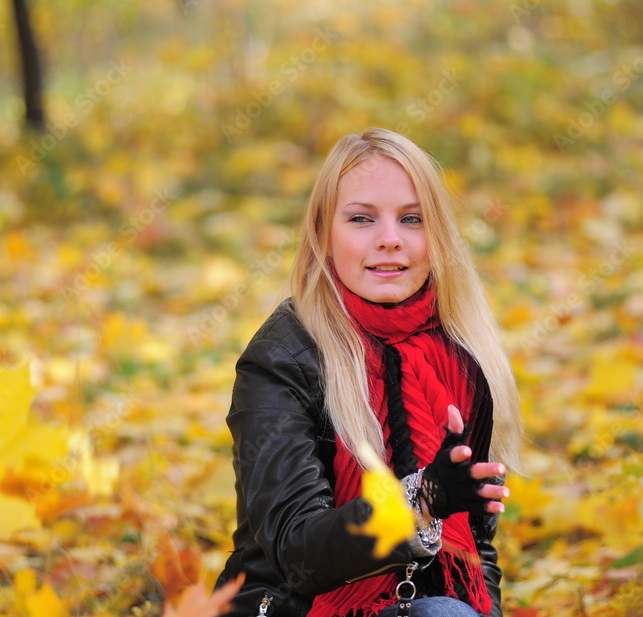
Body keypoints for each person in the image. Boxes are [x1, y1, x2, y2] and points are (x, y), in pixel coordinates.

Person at [215, 128, 523, 617]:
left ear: (438, 234)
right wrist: (419, 502)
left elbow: (478, 554)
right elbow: (297, 554)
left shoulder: (459, 357)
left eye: (412, 219)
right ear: (323, 234)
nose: (389, 240)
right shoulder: (282, 358)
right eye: (361, 219)